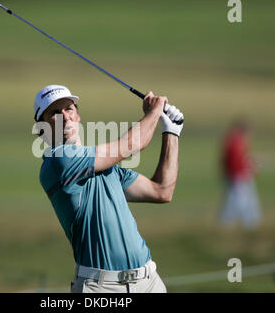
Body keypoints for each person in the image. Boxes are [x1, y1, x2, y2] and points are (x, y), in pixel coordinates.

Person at [33, 84, 184, 293]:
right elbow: (133, 143)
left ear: (77, 116)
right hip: (101, 287)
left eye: (69, 109)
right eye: (54, 113)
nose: (65, 117)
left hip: (149, 281)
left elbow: (162, 190)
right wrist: (154, 111)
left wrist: (171, 131)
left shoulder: (106, 168)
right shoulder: (59, 162)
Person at [219, 121, 261, 229]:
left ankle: (249, 223)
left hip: (237, 176)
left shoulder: (234, 142)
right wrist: (249, 169)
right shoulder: (236, 144)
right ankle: (246, 224)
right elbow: (236, 163)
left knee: (239, 201)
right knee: (238, 202)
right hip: (238, 177)